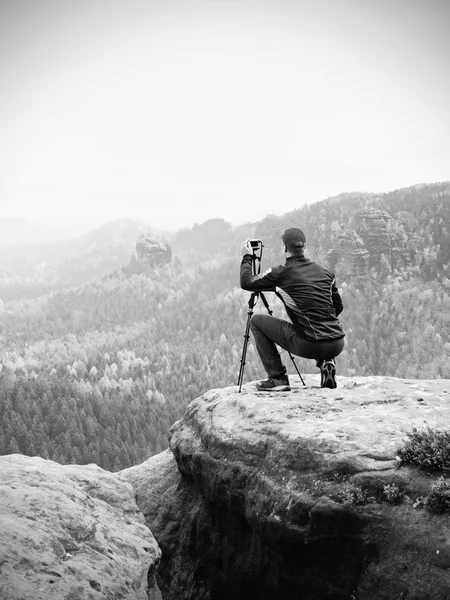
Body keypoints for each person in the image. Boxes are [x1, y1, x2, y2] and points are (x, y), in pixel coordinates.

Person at [240, 228, 345, 391]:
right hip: (337, 343)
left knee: (257, 322)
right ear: (304, 246)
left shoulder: (280, 273)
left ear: (285, 248)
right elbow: (338, 307)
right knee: (315, 324)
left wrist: (247, 256)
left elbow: (247, 282)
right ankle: (327, 361)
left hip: (309, 345)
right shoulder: (326, 273)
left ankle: (277, 378)